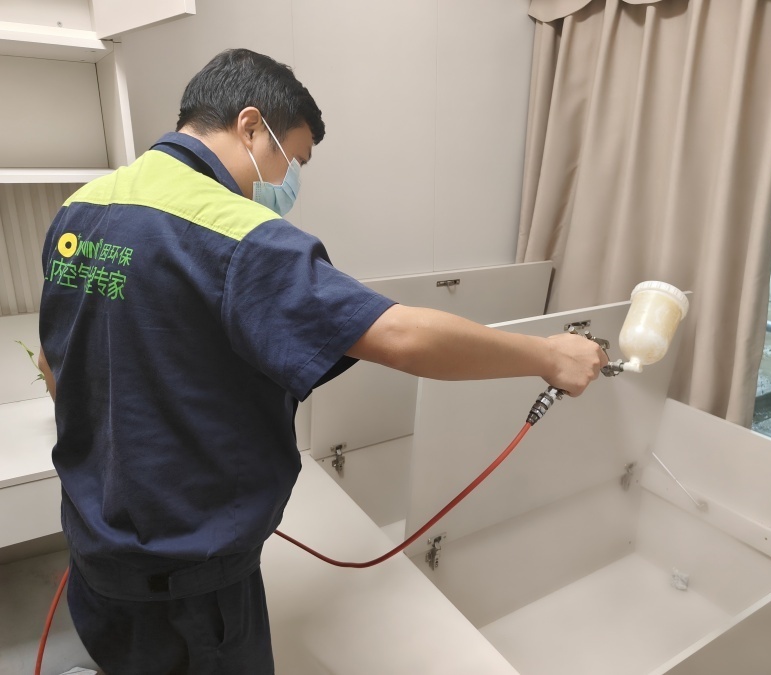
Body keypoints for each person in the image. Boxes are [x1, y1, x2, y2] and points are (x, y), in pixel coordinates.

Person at [38, 48, 606, 674]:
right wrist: (549, 355)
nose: (287, 180)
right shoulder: (239, 235)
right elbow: (399, 335)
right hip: (189, 589)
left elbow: (52, 363)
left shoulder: (84, 206)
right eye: (293, 159)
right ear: (250, 126)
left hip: (93, 551)